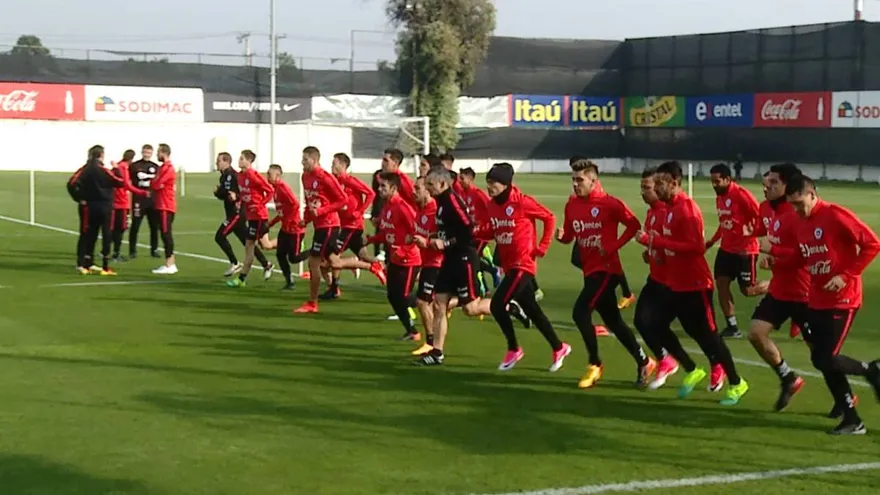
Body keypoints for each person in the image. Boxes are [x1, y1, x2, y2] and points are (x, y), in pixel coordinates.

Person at [635, 161, 749, 405]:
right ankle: (690, 367)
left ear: (674, 183)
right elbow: (668, 245)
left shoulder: (687, 209)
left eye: (660, 183)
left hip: (696, 285)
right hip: (675, 284)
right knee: (653, 325)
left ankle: (737, 382)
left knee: (709, 336)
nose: (656, 188)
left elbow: (696, 247)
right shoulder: (667, 209)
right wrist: (653, 250)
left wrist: (659, 243)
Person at [782, 175, 880, 434]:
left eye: (800, 203)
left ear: (813, 194)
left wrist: (845, 275)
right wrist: (776, 260)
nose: (797, 209)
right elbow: (804, 258)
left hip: (843, 299)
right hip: (816, 299)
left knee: (826, 357)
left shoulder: (835, 215)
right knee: (821, 360)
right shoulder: (800, 223)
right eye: (792, 205)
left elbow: (872, 244)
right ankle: (851, 417)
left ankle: (871, 372)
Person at [556, 160, 651, 389]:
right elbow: (570, 234)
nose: (575, 184)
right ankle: (645, 361)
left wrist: (613, 246)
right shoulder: (572, 206)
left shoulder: (610, 204)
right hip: (590, 271)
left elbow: (633, 225)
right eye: (573, 180)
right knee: (614, 322)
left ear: (593, 181)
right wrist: (563, 237)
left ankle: (595, 364)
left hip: (607, 270)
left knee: (580, 312)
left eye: (580, 180)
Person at [477, 163, 571, 372]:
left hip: (523, 264)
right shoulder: (492, 205)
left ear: (505, 184)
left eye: (493, 183)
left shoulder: (522, 202)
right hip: (510, 266)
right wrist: (477, 232)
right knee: (533, 310)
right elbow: (494, 230)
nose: (489, 187)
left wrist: (543, 246)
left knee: (497, 305)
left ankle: (513, 349)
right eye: (488, 183)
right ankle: (559, 347)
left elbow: (549, 217)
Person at [743, 164, 810, 412]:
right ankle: (788, 378)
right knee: (756, 333)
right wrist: (757, 241)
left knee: (822, 354)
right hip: (780, 289)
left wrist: (773, 251)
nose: (766, 187)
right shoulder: (764, 208)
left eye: (772, 183)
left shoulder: (798, 214)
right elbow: (765, 235)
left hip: (804, 291)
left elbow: (805, 254)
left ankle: (843, 398)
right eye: (766, 182)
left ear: (786, 186)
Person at [295, 146, 384, 314]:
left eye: (305, 160)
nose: (302, 162)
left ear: (314, 160)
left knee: (314, 262)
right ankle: (370, 267)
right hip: (320, 225)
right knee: (333, 262)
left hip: (329, 225)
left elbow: (342, 200)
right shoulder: (305, 177)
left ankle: (312, 303)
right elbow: (310, 202)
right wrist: (305, 220)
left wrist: (322, 211)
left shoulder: (325, 177)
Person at [414, 167, 483, 366]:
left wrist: (446, 244)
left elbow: (469, 230)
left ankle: (505, 305)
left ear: (443, 184)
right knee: (438, 303)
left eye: (430, 184)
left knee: (470, 308)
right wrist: (430, 240)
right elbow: (447, 232)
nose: (427, 188)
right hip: (449, 259)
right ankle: (437, 352)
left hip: (463, 258)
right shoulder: (441, 203)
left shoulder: (452, 201)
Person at [567, 155, 635, 311]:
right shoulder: (579, 185)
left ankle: (624, 291)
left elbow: (600, 203)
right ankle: (621, 291)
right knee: (580, 260)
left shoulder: (594, 186)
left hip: (594, 229)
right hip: (584, 227)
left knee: (586, 260)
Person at [705, 163, 764, 341]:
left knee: (748, 290)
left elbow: (761, 217)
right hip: (726, 249)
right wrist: (711, 242)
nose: (714, 185)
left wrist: (752, 232)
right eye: (712, 181)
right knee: (721, 284)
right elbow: (724, 223)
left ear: (727, 179)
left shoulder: (741, 195)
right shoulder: (720, 197)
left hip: (745, 251)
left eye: (717, 181)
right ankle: (732, 326)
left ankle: (776, 287)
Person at [632, 168, 679, 388]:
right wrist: (649, 252)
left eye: (647, 188)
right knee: (641, 321)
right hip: (656, 277)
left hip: (671, 281)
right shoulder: (652, 212)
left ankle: (722, 370)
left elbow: (672, 247)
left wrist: (647, 244)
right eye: (642, 187)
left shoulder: (666, 212)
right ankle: (664, 360)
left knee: (700, 332)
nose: (643, 193)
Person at [368, 172, 422, 340]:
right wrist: (371, 239)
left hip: (410, 260)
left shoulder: (403, 207)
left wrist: (403, 250)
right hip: (395, 258)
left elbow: (417, 231)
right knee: (393, 296)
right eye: (379, 185)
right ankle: (411, 330)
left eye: (383, 186)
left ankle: (431, 298)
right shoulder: (388, 206)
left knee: (403, 297)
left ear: (394, 188)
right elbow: (387, 232)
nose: (379, 189)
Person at [320, 152, 377, 300]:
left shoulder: (349, 180)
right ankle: (383, 267)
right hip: (343, 225)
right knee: (364, 256)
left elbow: (370, 193)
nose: (332, 165)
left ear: (343, 165)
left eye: (335, 163)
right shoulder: (335, 182)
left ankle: (335, 288)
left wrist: (360, 211)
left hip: (352, 226)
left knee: (330, 258)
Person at [213, 152, 273, 279]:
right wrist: (219, 193)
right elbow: (230, 194)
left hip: (238, 214)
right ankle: (266, 264)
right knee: (249, 243)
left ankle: (235, 264)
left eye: (218, 161)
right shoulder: (231, 176)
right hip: (240, 214)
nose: (216, 163)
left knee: (220, 236)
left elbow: (250, 191)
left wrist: (240, 198)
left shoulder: (238, 175)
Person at [410, 175, 444, 355]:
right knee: (434, 303)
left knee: (422, 301)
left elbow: (443, 238)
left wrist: (427, 241)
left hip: (437, 262)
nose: (413, 191)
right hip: (427, 262)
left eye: (417, 188)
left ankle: (431, 342)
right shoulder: (420, 210)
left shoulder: (435, 211)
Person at [77, 145, 122, 276]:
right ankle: (105, 266)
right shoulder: (103, 170)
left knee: (88, 233)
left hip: (89, 206)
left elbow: (72, 183)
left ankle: (84, 263)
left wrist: (80, 198)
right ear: (101, 155)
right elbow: (119, 182)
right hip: (105, 206)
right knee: (106, 234)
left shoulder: (84, 169)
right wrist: (117, 169)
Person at [459, 167, 502, 291]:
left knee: (474, 259)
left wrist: (486, 225)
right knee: (472, 258)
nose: (460, 181)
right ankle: (492, 272)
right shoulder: (464, 193)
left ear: (471, 179)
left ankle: (482, 288)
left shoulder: (478, 193)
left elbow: (491, 208)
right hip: (474, 232)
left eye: (462, 178)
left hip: (483, 233)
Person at [267, 164, 309, 290]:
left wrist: (290, 220)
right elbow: (282, 212)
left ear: (277, 176)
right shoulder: (275, 190)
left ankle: (315, 252)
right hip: (285, 229)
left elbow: (295, 204)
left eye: (270, 174)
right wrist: (271, 223)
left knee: (294, 258)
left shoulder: (283, 188)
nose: (267, 176)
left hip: (294, 229)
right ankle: (289, 281)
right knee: (280, 254)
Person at [109, 150, 148, 261]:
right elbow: (126, 185)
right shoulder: (123, 167)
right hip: (121, 203)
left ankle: (106, 251)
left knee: (115, 228)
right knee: (120, 228)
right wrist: (142, 192)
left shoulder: (118, 166)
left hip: (117, 201)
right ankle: (116, 254)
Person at [150, 144, 179, 275]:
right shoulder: (163, 168)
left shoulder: (169, 169)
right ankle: (170, 262)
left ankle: (170, 264)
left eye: (158, 152)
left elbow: (156, 184)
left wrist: (157, 182)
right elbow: (155, 184)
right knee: (164, 233)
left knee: (166, 233)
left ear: (163, 153)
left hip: (166, 205)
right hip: (161, 204)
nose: (157, 155)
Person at [128, 144, 160, 259]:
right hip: (138, 200)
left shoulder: (156, 167)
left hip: (152, 200)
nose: (146, 154)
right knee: (135, 226)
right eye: (145, 152)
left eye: (149, 152)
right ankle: (132, 250)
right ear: (142, 152)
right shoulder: (134, 166)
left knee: (154, 226)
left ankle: (154, 249)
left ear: (152, 153)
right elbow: (129, 182)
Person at [67, 161, 91, 271]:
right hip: (86, 206)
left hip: (96, 205)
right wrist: (79, 198)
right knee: (85, 233)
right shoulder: (85, 169)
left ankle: (89, 262)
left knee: (93, 234)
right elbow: (71, 183)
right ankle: (80, 263)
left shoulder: (100, 169)